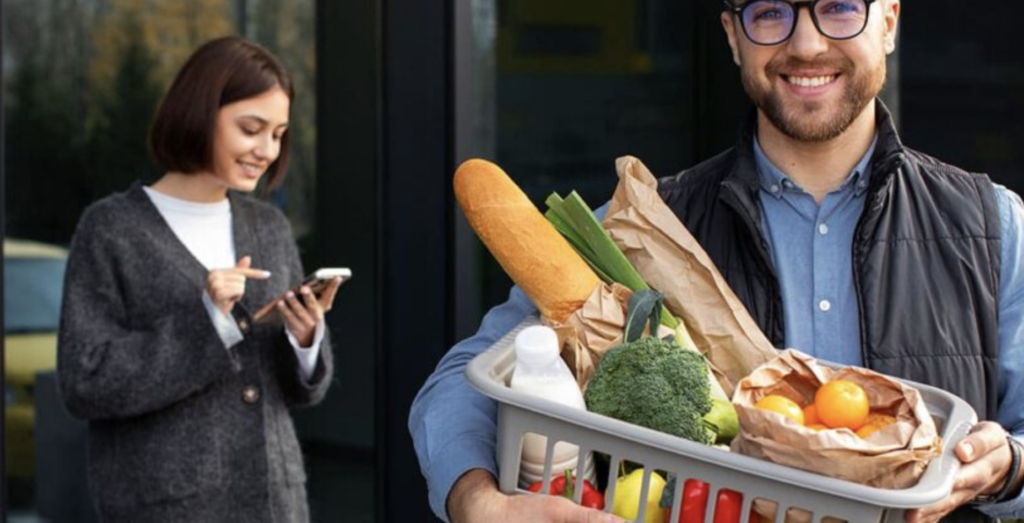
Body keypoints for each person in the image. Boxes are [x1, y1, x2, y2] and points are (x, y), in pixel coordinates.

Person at [409, 1, 1024, 522]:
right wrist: (478, 501)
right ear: (733, 36)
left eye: (838, 6)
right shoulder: (642, 227)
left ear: (889, 21)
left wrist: (1011, 465)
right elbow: (466, 377)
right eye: (770, 12)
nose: (805, 43)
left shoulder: (993, 226)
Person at [57, 36, 341, 523]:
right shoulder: (112, 229)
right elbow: (85, 382)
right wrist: (206, 322)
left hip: (275, 503)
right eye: (251, 129)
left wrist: (306, 339)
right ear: (198, 112)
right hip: (165, 508)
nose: (267, 150)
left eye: (278, 134)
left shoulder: (268, 227)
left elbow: (299, 390)